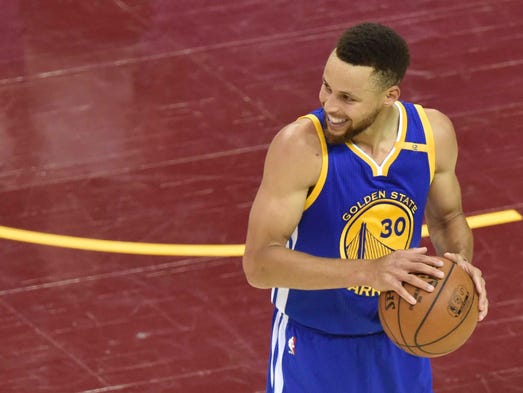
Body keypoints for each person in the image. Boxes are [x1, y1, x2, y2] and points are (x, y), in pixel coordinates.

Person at [242, 22, 488, 393]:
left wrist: (460, 267)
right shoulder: (299, 147)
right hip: (314, 346)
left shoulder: (432, 135)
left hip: (400, 339)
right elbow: (259, 264)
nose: (329, 105)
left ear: (390, 95)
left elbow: (447, 217)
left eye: (347, 98)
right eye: (327, 86)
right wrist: (368, 271)